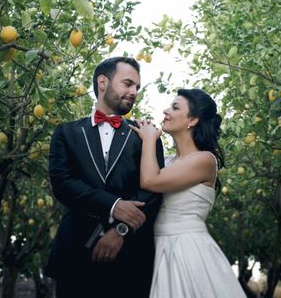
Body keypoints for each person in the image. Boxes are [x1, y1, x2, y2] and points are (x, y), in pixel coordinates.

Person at [45, 57, 165, 298]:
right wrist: (113, 205)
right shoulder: (66, 132)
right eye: (128, 84)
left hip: (130, 257)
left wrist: (120, 230)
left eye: (137, 88)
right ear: (103, 82)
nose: (133, 92)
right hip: (75, 252)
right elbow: (62, 184)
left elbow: (153, 191)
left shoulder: (146, 134)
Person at [131, 88, 245, 298]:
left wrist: (149, 139)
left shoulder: (204, 160)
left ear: (192, 120)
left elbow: (150, 181)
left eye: (175, 107)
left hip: (186, 249)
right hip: (156, 248)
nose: (166, 110)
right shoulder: (166, 162)